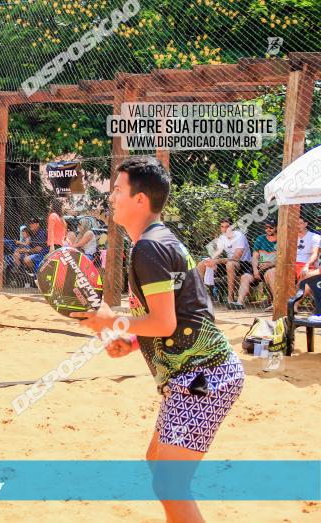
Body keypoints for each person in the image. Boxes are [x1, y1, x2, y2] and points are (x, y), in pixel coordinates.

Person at [73, 157, 243, 523]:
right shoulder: (159, 242)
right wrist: (131, 340)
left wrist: (110, 320)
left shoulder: (149, 248)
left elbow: (165, 322)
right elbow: (185, 315)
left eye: (117, 190)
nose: (111, 198)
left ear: (139, 200)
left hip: (202, 378)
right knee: (159, 467)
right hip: (199, 375)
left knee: (170, 485)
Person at [197, 218, 251, 305]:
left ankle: (230, 298)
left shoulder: (240, 236)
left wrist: (217, 261)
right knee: (202, 264)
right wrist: (210, 261)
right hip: (229, 263)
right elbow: (216, 255)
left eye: (227, 227)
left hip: (244, 264)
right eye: (222, 227)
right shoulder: (222, 238)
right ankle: (198, 297)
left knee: (230, 264)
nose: (225, 229)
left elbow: (236, 258)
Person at [232, 220, 277, 310]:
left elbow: (283, 258)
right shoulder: (260, 239)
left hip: (273, 267)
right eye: (266, 227)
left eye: (271, 227)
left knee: (271, 273)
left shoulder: (281, 239)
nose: (268, 229)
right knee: (245, 276)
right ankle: (239, 302)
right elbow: (255, 257)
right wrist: (255, 270)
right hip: (259, 267)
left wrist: (270, 264)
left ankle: (276, 303)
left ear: (277, 228)